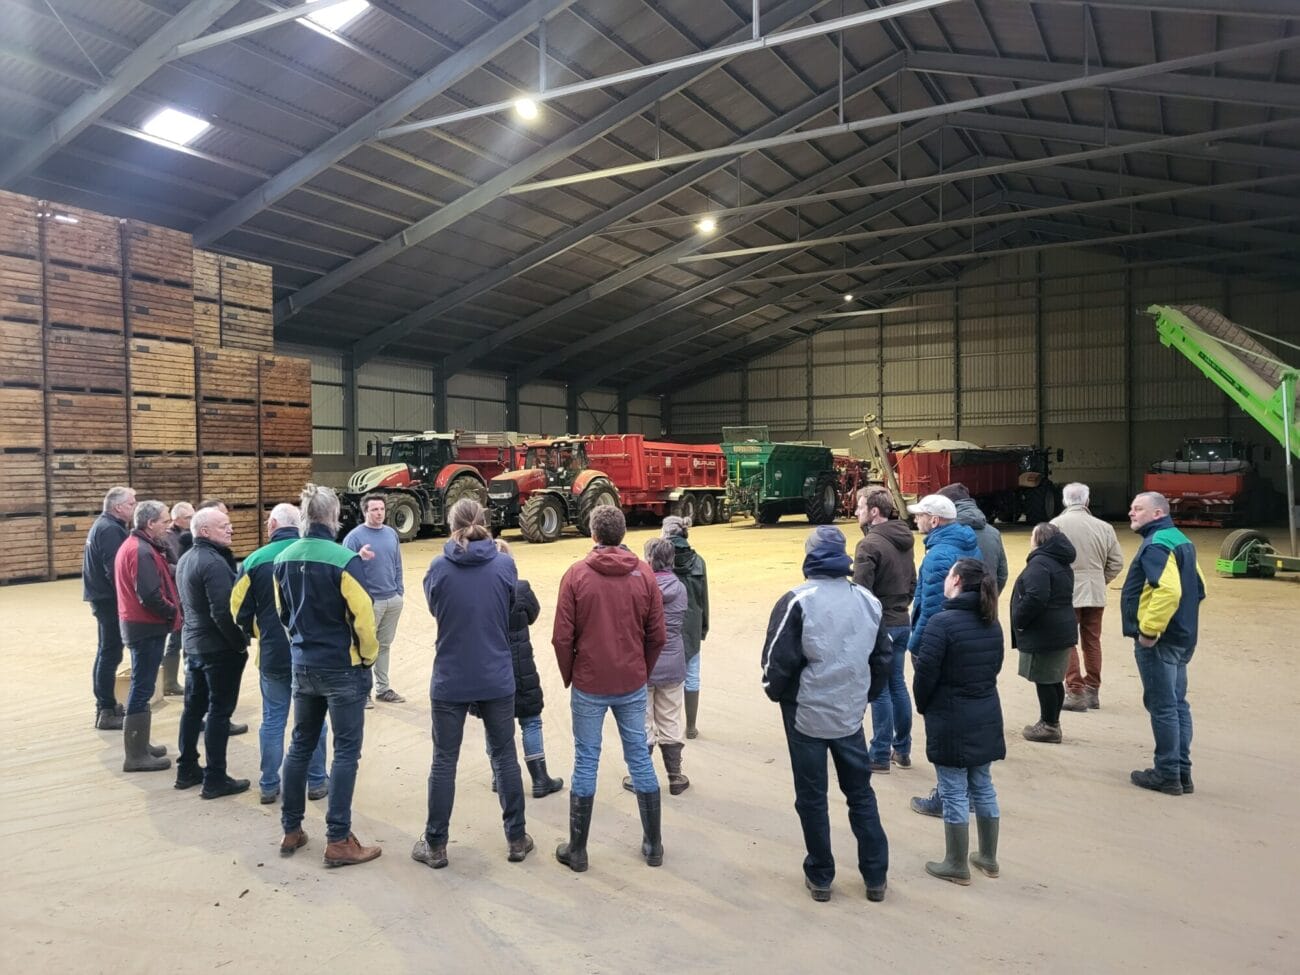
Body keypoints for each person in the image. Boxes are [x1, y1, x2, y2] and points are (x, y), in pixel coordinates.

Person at [761, 525, 892, 903]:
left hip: (807, 714)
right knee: (861, 794)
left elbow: (777, 662)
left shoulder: (797, 600)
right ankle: (875, 877)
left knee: (812, 797)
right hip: (849, 712)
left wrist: (777, 695)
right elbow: (882, 658)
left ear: (810, 556)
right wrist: (865, 695)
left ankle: (821, 876)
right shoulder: (867, 600)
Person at [413, 499, 533, 870]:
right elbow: (513, 605)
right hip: (495, 675)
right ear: (485, 523)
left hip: (451, 676)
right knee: (504, 756)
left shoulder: (438, 567)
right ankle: (516, 838)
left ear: (450, 526)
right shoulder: (504, 565)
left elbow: (437, 609)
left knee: (444, 761)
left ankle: (436, 844)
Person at [553, 505, 666, 874]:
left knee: (587, 759)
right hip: (631, 681)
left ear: (593, 535)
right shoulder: (645, 575)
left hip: (589, 682)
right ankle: (653, 845)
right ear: (623, 535)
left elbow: (561, 637)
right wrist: (641, 670)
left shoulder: (575, 576)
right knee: (639, 756)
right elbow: (658, 635)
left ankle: (579, 850)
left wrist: (571, 674)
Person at [273, 484, 381, 868]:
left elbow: (282, 612)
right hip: (342, 667)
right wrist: (368, 657)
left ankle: (291, 828)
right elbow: (364, 617)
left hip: (303, 664)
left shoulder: (284, 557)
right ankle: (338, 838)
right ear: (334, 516)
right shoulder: (343, 559)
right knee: (346, 751)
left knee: (300, 744)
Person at [912, 558, 1005, 885]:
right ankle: (989, 858)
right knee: (982, 784)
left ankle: (956, 862)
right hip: (985, 713)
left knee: (953, 790)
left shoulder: (942, 622)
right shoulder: (992, 622)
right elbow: (995, 667)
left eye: (950, 574)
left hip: (950, 716)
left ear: (958, 582)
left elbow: (925, 674)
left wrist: (923, 705)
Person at [233, 503, 331, 806]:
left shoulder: (254, 561)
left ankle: (269, 784)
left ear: (272, 524)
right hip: (313, 655)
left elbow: (237, 610)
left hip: (274, 655)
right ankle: (316, 781)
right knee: (315, 721)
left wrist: (262, 633)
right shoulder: (321, 554)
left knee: (273, 719)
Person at [1122, 491, 1205, 796]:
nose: (1131, 513)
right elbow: (1199, 585)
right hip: (1183, 636)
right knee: (1178, 704)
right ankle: (1182, 772)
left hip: (1160, 641)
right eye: (1131, 508)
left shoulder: (1156, 545)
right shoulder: (1179, 539)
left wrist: (1149, 630)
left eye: (1138, 509)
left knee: (1163, 706)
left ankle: (1167, 772)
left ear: (1158, 513)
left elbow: (1169, 591)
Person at [905, 494, 980, 817]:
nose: (916, 521)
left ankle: (946, 796)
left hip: (939, 647)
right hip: (968, 639)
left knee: (941, 726)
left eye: (920, 516)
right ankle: (972, 793)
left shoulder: (938, 557)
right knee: (965, 723)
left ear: (934, 521)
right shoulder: (969, 545)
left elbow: (932, 609)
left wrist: (916, 646)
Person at [175, 506, 250, 798]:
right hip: (217, 650)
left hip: (194, 645)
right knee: (219, 712)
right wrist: (238, 643)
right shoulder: (213, 563)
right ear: (204, 531)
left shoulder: (186, 559)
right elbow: (223, 611)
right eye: (223, 525)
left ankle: (187, 769)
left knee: (193, 709)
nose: (230, 529)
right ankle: (215, 777)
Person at [484, 538, 563, 800]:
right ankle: (539, 778)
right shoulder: (521, 588)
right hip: (520, 664)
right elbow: (533, 613)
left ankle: (498, 774)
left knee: (494, 724)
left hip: (490, 666)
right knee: (530, 720)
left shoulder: (480, 591)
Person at [854, 487, 917, 773]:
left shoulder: (869, 545)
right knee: (898, 686)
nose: (856, 512)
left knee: (880, 690)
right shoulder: (904, 539)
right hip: (902, 621)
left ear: (874, 512)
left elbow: (861, 592)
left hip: (882, 626)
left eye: (860, 507)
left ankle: (879, 754)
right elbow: (913, 581)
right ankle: (902, 749)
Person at [113, 499, 178, 773]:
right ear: (150, 524)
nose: (168, 525)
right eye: (164, 520)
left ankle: (141, 745)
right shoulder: (141, 551)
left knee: (144, 684)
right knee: (141, 687)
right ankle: (135, 755)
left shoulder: (139, 546)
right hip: (146, 626)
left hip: (140, 624)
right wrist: (172, 611)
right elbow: (150, 594)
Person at [622, 537, 689, 795]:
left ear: (649, 559)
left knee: (644, 720)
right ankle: (675, 776)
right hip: (673, 661)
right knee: (671, 717)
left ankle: (642, 776)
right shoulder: (680, 588)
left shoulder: (640, 587)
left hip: (645, 663)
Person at [1051, 483, 1124, 711]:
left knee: (1067, 641)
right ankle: (1093, 690)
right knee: (1092, 640)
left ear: (1064, 501)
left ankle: (1075, 691)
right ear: (1087, 501)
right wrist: (1101, 580)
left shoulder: (1054, 526)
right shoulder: (1104, 527)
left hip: (1066, 593)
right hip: (1095, 592)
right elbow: (1116, 562)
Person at [1011, 523, 1078, 744]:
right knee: (1053, 680)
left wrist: (1019, 619)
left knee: (1045, 680)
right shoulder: (1059, 561)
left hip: (1044, 631)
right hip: (1060, 627)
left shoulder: (1040, 563)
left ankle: (1049, 725)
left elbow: (1036, 596)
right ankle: (1051, 722)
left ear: (1039, 538)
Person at [342, 494, 406, 706]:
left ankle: (383, 688)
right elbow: (343, 568)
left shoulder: (391, 534)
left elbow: (397, 563)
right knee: (364, 646)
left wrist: (399, 591)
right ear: (365, 512)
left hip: (392, 600)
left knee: (384, 645)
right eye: (374, 510)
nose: (379, 513)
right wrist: (357, 557)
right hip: (369, 602)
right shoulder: (354, 537)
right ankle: (363, 692)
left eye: (381, 509)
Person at [84, 485, 136, 730]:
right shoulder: (110, 530)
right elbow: (115, 570)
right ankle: (105, 709)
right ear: (117, 507)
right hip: (108, 600)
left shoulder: (105, 525)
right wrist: (128, 599)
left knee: (108, 651)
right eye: (131, 504)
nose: (134, 508)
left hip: (102, 598)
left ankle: (106, 705)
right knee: (109, 652)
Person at [661, 515, 708, 739]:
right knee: (692, 675)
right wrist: (703, 627)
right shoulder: (699, 561)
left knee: (659, 676)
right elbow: (703, 597)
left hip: (665, 623)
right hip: (692, 622)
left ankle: (662, 725)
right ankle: (690, 726)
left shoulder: (658, 559)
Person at [937, 483, 1008, 593]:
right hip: (986, 604)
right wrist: (988, 599)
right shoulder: (994, 533)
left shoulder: (943, 534)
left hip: (952, 605)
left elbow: (936, 577)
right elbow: (1002, 574)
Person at [160, 501, 194, 697]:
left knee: (184, 638)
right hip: (176, 594)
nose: (191, 520)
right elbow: (165, 566)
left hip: (186, 591)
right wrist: (182, 567)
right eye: (188, 517)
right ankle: (169, 681)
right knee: (176, 639)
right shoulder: (167, 538)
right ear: (177, 519)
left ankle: (184, 678)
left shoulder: (189, 535)